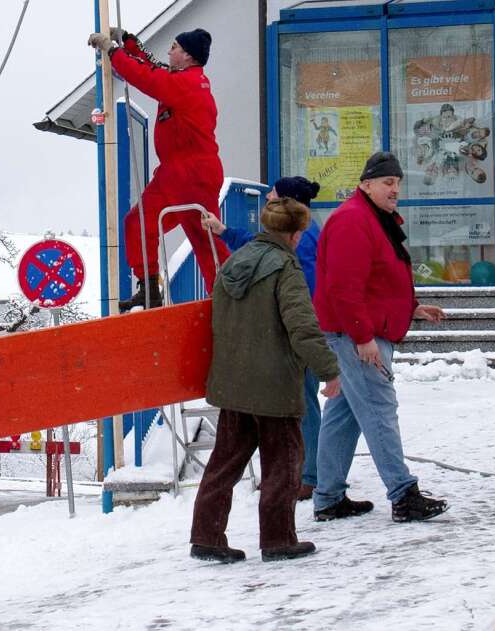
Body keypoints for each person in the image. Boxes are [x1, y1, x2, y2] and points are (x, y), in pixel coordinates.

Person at [190, 197, 341, 564]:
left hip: (235, 382)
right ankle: (278, 539)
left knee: (224, 462)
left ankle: (206, 537)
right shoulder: (285, 268)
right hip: (273, 385)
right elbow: (302, 327)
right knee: (283, 462)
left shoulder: (233, 263)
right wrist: (329, 370)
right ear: (294, 233)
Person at [312, 152, 449, 524]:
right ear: (366, 184)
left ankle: (328, 497)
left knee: (345, 416)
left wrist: (413, 308)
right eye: (388, 182)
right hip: (356, 336)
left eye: (398, 183)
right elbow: (343, 287)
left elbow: (381, 279)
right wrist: (362, 336)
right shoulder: (353, 221)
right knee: (378, 410)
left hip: (360, 331)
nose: (395, 190)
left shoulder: (373, 218)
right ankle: (404, 496)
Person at [88, 27, 229, 311]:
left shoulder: (186, 84)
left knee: (193, 236)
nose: (169, 51)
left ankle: (224, 297)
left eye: (174, 47)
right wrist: (127, 41)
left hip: (189, 173)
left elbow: (146, 76)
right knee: (153, 227)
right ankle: (160, 290)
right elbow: (152, 65)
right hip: (183, 173)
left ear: (187, 55)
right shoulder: (184, 79)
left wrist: (113, 52)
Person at [201, 176, 324, 501]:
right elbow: (257, 244)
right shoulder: (297, 236)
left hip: (293, 335)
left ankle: (309, 475)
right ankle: (301, 474)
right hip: (288, 335)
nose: (267, 198)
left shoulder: (304, 241)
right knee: (298, 406)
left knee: (304, 405)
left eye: (273, 196)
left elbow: (303, 296)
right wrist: (223, 231)